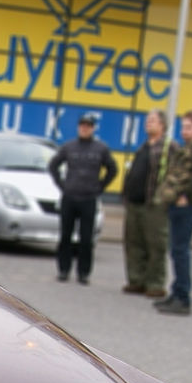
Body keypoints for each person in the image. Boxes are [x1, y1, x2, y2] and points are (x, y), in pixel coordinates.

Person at [154, 109, 192, 316]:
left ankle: (183, 298)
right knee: (176, 250)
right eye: (183, 127)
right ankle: (176, 292)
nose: (184, 131)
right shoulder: (189, 147)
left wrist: (186, 195)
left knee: (180, 251)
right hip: (179, 204)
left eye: (189, 127)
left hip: (188, 205)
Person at [48, 112, 118, 285]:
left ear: (93, 128)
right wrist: (62, 185)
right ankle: (63, 270)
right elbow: (53, 165)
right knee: (65, 236)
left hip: (88, 198)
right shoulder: (69, 147)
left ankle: (84, 273)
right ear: (79, 127)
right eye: (82, 125)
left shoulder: (100, 148)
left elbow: (112, 169)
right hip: (70, 196)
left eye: (88, 126)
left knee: (86, 238)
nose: (85, 128)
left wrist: (100, 187)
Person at [120, 109, 170, 298]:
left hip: (153, 205)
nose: (148, 123)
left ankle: (155, 284)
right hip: (134, 203)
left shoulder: (167, 147)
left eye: (153, 120)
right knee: (133, 244)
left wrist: (165, 197)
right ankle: (136, 281)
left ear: (162, 125)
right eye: (147, 120)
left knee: (155, 244)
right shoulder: (143, 147)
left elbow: (173, 174)